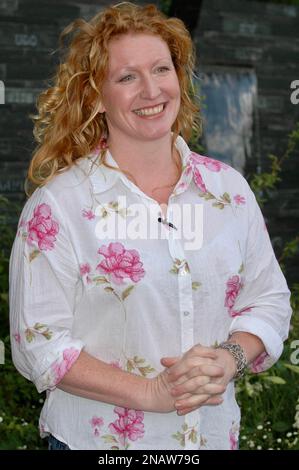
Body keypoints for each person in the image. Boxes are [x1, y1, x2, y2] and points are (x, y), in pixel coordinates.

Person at [9, 2, 292, 451]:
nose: (151, 89)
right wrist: (151, 393)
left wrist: (230, 358)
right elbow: (37, 345)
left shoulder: (229, 191)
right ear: (97, 96)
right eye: (127, 77)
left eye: (161, 69)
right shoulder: (59, 206)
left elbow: (270, 299)